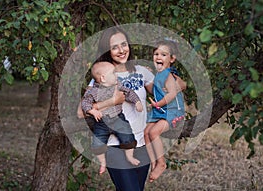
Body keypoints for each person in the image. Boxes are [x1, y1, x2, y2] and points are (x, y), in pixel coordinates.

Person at [77, 27, 186, 190]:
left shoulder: (141, 72)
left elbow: (168, 89)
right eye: (114, 47)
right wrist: (112, 101)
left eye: (124, 44)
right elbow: (81, 112)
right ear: (107, 50)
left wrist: (180, 85)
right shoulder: (103, 77)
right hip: (116, 146)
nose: (121, 50)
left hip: (141, 145)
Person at [81, 61, 143, 175]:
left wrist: (137, 102)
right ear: (103, 78)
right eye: (114, 74)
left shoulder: (118, 85)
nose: (117, 76)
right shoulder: (92, 91)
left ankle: (130, 156)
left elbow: (129, 92)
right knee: (97, 143)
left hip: (117, 118)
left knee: (127, 135)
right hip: (101, 122)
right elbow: (85, 103)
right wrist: (92, 110)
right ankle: (102, 162)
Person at [144, 40, 185, 182]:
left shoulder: (169, 75)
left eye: (163, 54)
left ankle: (161, 163)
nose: (158, 57)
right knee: (146, 132)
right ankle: (153, 162)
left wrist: (157, 104)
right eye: (156, 54)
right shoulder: (159, 74)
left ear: (172, 59)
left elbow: (171, 94)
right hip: (161, 111)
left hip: (172, 112)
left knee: (153, 132)